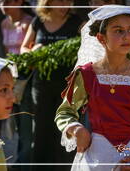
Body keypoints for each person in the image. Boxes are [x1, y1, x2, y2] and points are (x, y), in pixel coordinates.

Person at [55, 5, 130, 171]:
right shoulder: (86, 75)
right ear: (101, 38)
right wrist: (76, 129)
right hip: (97, 158)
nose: (126, 36)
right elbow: (64, 112)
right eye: (118, 30)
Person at [20, 0, 84, 170]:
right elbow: (23, 48)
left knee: (67, 132)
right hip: (41, 87)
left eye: (68, 1)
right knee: (41, 133)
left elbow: (90, 49)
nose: (65, 5)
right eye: (60, 1)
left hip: (70, 88)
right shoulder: (38, 22)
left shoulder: (77, 23)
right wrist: (33, 51)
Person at [0, 0, 34, 169]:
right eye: (0, 1)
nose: (2, 4)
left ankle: (24, 164)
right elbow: (7, 54)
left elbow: (29, 50)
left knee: (26, 123)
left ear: (19, 2)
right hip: (10, 79)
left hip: (26, 79)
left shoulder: (28, 22)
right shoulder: (4, 23)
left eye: (7, 0)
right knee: (14, 123)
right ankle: (18, 162)